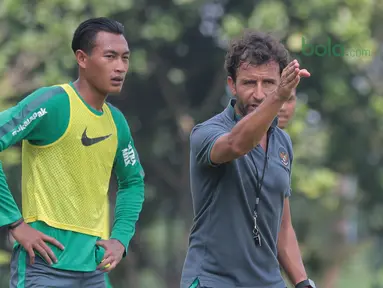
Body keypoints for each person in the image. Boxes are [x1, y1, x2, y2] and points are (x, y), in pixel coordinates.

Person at [0, 17, 145, 287]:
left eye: (125, 58)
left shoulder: (117, 123)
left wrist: (120, 239)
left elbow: (133, 182)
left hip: (93, 270)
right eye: (110, 56)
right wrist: (15, 224)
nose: (120, 67)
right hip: (42, 268)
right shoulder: (53, 103)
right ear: (82, 58)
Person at [181, 31, 316, 288]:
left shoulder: (283, 143)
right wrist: (278, 97)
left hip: (267, 281)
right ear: (232, 85)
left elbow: (283, 227)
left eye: (268, 83)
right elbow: (237, 143)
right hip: (213, 279)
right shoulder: (207, 133)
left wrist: (302, 282)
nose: (259, 93)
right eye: (249, 83)